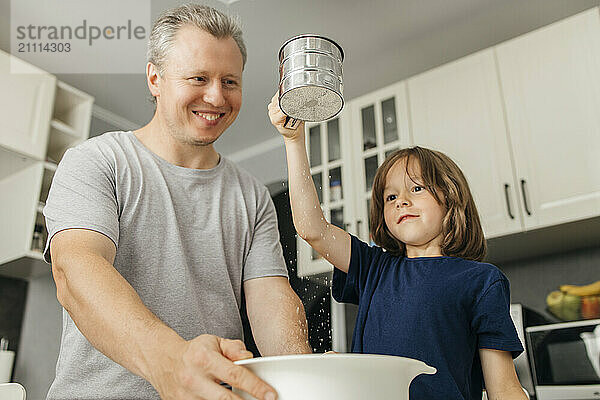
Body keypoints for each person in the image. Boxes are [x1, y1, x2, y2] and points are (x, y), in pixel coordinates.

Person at [43, 5, 311, 400]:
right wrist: (170, 362)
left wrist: (302, 374)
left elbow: (269, 298)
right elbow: (76, 270)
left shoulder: (252, 195)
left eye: (230, 81)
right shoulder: (97, 161)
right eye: (198, 78)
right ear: (155, 78)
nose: (216, 96)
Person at [268, 95, 528, 399]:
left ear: (452, 196)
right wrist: (294, 141)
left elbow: (504, 388)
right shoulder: (374, 267)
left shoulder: (482, 281)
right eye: (390, 197)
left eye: (416, 188)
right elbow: (313, 230)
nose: (401, 200)